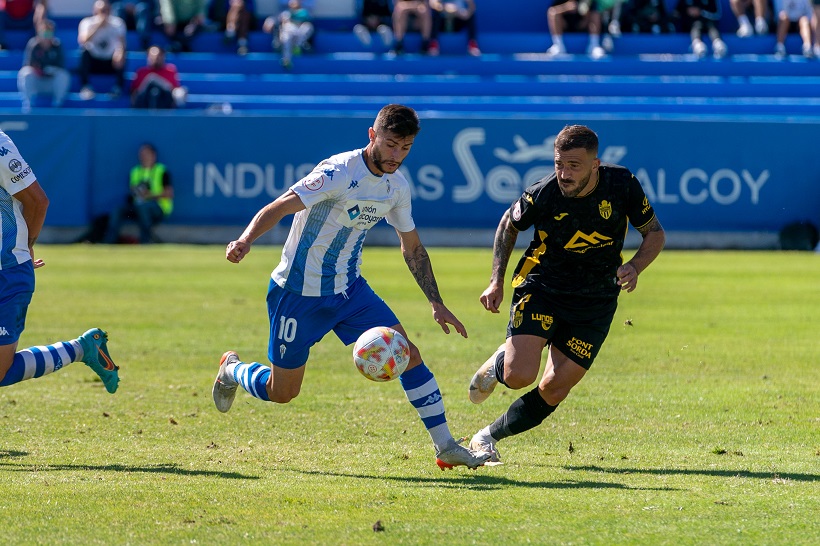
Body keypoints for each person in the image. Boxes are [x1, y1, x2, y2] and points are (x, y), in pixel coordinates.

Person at [212, 104, 492, 470]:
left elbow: (413, 248)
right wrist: (245, 240)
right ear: (372, 135)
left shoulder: (396, 187)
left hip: (350, 292)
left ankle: (445, 446)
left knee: (410, 355)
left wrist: (436, 302)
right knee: (282, 393)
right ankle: (231, 369)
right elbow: (280, 206)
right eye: (391, 145)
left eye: (405, 148)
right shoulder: (338, 172)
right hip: (297, 294)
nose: (397, 156)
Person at [466, 125, 665, 463]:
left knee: (555, 389)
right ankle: (504, 362)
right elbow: (508, 225)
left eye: (574, 165)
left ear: (595, 165)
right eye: (559, 163)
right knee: (519, 377)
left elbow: (655, 234)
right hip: (542, 286)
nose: (564, 173)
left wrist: (635, 266)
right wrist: (496, 279)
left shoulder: (622, 184)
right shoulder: (543, 193)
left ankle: (485, 438)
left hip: (596, 299)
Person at [0, 130, 120, 395]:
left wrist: (26, 245)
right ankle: (84, 349)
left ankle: (84, 349)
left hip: (7, 272)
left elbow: (37, 201)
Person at [104, 143, 174, 244]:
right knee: (118, 210)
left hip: (158, 209)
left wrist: (149, 195)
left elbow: (169, 194)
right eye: (141, 155)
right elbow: (133, 191)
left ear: (154, 155)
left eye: (146, 154)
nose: (143, 157)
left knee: (143, 208)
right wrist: (136, 193)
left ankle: (145, 242)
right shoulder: (135, 171)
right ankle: (108, 242)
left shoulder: (162, 171)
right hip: (137, 206)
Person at [77, 0, 127, 100]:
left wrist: (120, 52)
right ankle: (86, 87)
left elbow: (122, 43)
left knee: (122, 53)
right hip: (94, 61)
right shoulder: (87, 22)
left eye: (106, 10)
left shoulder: (118, 23)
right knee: (84, 52)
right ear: (94, 10)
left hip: (110, 62)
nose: (103, 13)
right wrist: (98, 25)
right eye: (101, 10)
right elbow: (83, 40)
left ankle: (117, 88)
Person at [17, 17, 69, 111]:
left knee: (64, 75)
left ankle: (57, 105)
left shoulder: (57, 46)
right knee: (24, 73)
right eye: (44, 34)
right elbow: (28, 65)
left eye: (49, 34)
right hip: (37, 82)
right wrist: (39, 70)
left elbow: (61, 66)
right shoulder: (33, 45)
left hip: (51, 83)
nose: (46, 37)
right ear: (38, 34)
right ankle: (28, 105)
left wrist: (51, 70)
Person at [546, 0, 612, 59]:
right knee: (553, 13)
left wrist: (586, 14)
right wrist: (565, 7)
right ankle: (558, 46)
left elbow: (593, 10)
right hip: (565, 26)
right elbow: (553, 9)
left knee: (595, 14)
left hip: (582, 25)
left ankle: (594, 46)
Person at [130, 44, 186, 108]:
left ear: (163, 56)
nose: (155, 59)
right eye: (152, 56)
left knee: (155, 87)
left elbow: (172, 91)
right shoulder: (141, 72)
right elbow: (136, 93)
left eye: (158, 56)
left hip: (164, 104)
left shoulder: (170, 70)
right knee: (152, 88)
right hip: (145, 104)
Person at [263, 0, 313, 68]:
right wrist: (270, 21)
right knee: (287, 30)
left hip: (298, 39)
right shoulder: (285, 13)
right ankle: (286, 59)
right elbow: (274, 19)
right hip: (286, 40)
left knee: (307, 27)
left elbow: (306, 19)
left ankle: (296, 47)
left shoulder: (304, 12)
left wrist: (293, 20)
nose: (293, 2)